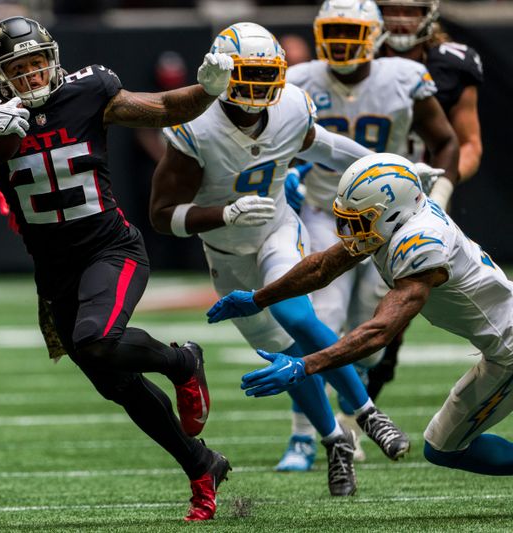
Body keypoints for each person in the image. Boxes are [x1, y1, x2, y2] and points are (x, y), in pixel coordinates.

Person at [0, 16, 235, 521]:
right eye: (19, 68)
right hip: (55, 271)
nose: (32, 76)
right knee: (113, 381)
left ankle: (183, 361)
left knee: (97, 340)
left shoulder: (88, 91)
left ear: (52, 58)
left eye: (37, 63)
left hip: (110, 248)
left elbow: (161, 108)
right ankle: (202, 466)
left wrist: (206, 91)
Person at [150, 22, 415, 497]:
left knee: (296, 314)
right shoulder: (195, 124)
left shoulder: (291, 104)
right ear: (221, 73)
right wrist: (221, 212)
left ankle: (369, 414)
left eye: (267, 74)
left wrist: (391, 168)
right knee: (284, 356)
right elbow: (161, 216)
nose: (260, 87)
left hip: (277, 229)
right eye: (248, 74)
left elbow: (328, 147)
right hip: (228, 254)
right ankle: (334, 441)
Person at [212, 152, 513, 478]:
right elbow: (323, 266)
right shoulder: (396, 220)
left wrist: (305, 365)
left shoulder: (420, 242)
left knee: (444, 447)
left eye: (358, 219)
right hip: (501, 344)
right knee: (441, 446)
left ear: (391, 212)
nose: (347, 228)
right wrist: (259, 298)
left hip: (508, 348)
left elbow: (380, 331)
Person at [279, 0, 459, 468]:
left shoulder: (402, 76)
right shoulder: (299, 79)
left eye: (351, 31)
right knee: (323, 319)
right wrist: (287, 179)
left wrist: (440, 190)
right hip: (325, 210)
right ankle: (305, 434)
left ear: (375, 34)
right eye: (333, 31)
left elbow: (446, 139)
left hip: (394, 219)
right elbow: (278, 138)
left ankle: (351, 424)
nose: (340, 42)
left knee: (371, 330)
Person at [369, 0, 484, 400]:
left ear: (429, 14)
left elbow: (468, 144)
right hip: (360, 196)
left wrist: (439, 190)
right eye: (390, 9)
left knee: (403, 298)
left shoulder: (453, 63)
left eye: (410, 10)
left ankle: (366, 394)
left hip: (421, 201)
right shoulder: (357, 56)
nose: (400, 19)